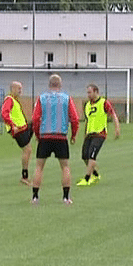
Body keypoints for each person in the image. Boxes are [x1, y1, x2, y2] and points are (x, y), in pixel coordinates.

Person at [31, 74, 79, 205]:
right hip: (60, 136)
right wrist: (73, 134)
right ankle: (66, 197)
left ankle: (35, 197)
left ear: (49, 85)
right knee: (65, 167)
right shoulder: (66, 98)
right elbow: (74, 118)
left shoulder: (41, 98)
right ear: (60, 85)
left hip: (45, 136)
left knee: (39, 167)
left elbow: (35, 119)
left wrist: (37, 134)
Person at [76, 83, 120, 186]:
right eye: (87, 92)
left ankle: (87, 179)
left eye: (90, 92)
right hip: (89, 133)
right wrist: (85, 133)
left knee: (92, 155)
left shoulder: (104, 102)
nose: (88, 95)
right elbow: (88, 120)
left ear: (96, 92)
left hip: (100, 133)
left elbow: (113, 115)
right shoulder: (87, 105)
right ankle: (95, 174)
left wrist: (117, 128)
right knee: (84, 156)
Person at [1, 81, 33, 185]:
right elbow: (4, 113)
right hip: (18, 130)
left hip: (22, 127)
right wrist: (12, 125)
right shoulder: (9, 100)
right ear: (13, 89)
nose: (20, 91)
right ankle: (24, 176)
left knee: (36, 123)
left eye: (21, 88)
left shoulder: (14, 100)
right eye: (18, 88)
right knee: (27, 150)